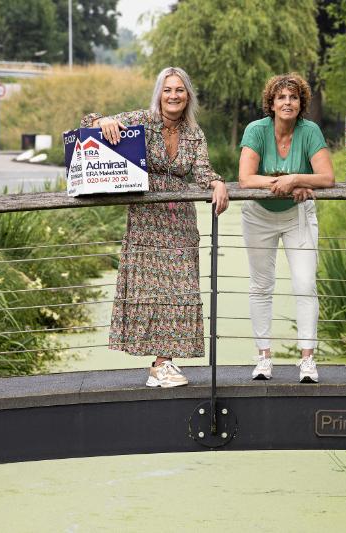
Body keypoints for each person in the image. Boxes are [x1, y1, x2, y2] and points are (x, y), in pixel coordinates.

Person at [83, 66, 229, 388]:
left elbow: (202, 171)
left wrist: (217, 183)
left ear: (187, 95)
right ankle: (161, 364)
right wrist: (102, 121)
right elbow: (87, 124)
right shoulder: (142, 121)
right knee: (152, 291)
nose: (173, 95)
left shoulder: (194, 133)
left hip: (180, 221)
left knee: (180, 290)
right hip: (147, 219)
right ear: (159, 94)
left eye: (179, 90)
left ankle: (163, 364)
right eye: (167, 90)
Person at [238, 73, 334, 383]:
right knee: (261, 286)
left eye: (293, 97)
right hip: (258, 216)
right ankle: (263, 357)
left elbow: (327, 178)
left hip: (297, 215)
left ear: (301, 102)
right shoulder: (256, 130)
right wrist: (287, 181)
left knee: (305, 285)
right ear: (271, 103)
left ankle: (307, 359)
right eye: (281, 97)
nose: (288, 102)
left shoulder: (310, 132)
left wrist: (298, 180)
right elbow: (245, 178)